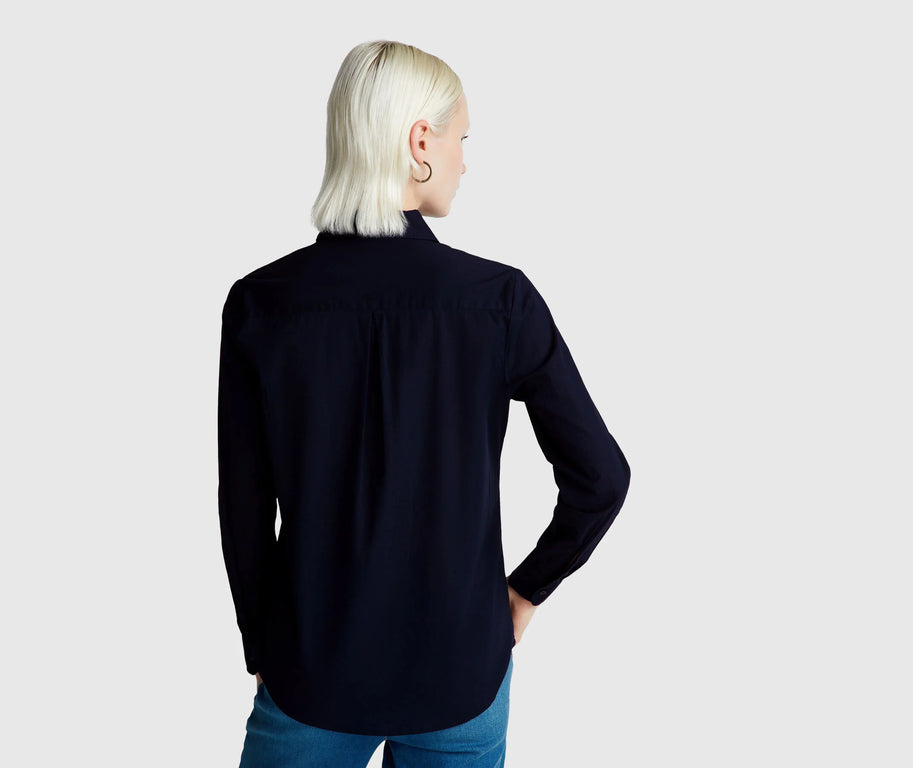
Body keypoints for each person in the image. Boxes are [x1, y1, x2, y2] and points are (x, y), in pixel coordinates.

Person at [217, 39, 631, 768]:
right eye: (461, 138)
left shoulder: (261, 304)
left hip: (311, 671)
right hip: (460, 673)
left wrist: (260, 641)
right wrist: (524, 594)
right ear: (419, 143)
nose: (465, 161)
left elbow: (245, 505)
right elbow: (601, 476)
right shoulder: (499, 302)